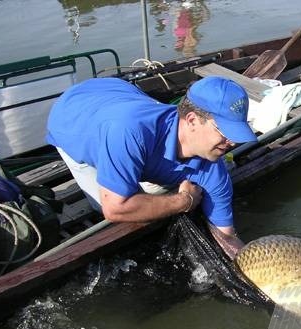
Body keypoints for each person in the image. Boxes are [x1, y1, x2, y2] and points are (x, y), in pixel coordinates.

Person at [46, 76, 257, 258]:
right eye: (225, 133)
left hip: (120, 95)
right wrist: (185, 201)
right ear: (192, 120)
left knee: (149, 197)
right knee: (115, 208)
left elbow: (226, 236)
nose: (232, 143)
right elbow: (115, 208)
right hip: (72, 117)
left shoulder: (214, 171)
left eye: (236, 135)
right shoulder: (130, 132)